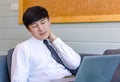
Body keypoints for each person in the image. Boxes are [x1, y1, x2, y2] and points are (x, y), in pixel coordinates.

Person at [11, 6, 81, 82]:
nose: (41, 29)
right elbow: (18, 79)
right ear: (28, 29)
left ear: (49, 21)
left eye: (43, 22)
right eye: (34, 26)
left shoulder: (54, 43)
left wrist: (54, 39)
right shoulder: (23, 48)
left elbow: (75, 64)